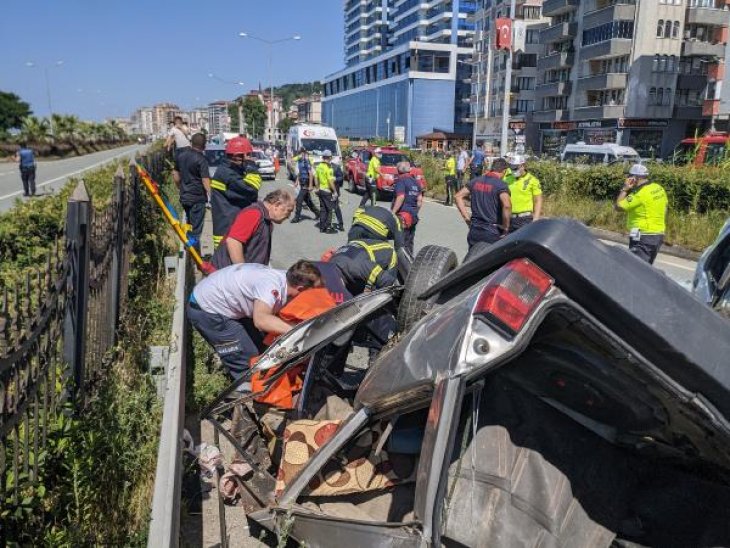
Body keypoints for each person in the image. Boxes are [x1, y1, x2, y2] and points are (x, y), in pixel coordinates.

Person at [187, 260, 323, 379]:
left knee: (261, 347)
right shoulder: (271, 286)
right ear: (300, 289)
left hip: (222, 302)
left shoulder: (285, 279)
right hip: (208, 310)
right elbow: (261, 320)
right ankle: (245, 396)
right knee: (249, 360)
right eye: (313, 292)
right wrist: (299, 331)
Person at [210, 189, 295, 269]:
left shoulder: (266, 221)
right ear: (277, 205)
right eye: (289, 211)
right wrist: (242, 272)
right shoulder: (254, 214)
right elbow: (233, 242)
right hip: (226, 275)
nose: (288, 216)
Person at [210, 136, 262, 249]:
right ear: (237, 156)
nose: (250, 158)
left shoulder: (227, 170)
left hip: (228, 231)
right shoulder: (228, 175)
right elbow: (251, 190)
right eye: (247, 155)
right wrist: (252, 168)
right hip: (228, 235)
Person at [614, 163, 668, 264]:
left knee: (637, 270)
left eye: (629, 176)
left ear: (634, 178)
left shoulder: (639, 195)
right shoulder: (658, 188)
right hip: (658, 234)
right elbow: (665, 209)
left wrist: (625, 189)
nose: (627, 178)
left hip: (643, 236)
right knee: (647, 267)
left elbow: (618, 206)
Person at [455, 157, 512, 251]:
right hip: (492, 231)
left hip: (474, 229)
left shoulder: (476, 181)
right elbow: (507, 205)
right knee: (489, 263)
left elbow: (458, 196)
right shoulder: (501, 185)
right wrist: (506, 227)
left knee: (472, 259)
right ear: (504, 171)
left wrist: (467, 218)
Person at [172, 133, 210, 254]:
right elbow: (205, 180)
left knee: (189, 224)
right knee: (196, 230)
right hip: (197, 199)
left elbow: (175, 176)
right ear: (204, 145)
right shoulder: (201, 159)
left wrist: (180, 188)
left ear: (191, 143)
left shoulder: (180, 156)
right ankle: (193, 254)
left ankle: (189, 249)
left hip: (185, 197)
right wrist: (211, 196)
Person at [391, 161, 423, 255]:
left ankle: (400, 266)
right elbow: (420, 200)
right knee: (409, 242)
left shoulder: (401, 181)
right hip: (413, 216)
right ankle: (409, 263)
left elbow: (400, 197)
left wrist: (393, 212)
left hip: (402, 216)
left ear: (398, 170)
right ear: (409, 170)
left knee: (400, 243)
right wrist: (415, 212)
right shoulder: (416, 182)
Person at [505, 155, 543, 233]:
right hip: (509, 218)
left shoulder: (532, 180)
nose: (513, 170)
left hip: (525, 219)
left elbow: (538, 200)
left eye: (515, 168)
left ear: (522, 166)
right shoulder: (507, 178)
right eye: (511, 168)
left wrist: (536, 219)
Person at [291, 148, 320, 223]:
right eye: (299, 153)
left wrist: (310, 185)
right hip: (302, 182)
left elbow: (310, 174)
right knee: (308, 201)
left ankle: (296, 218)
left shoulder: (306, 161)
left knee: (299, 200)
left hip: (306, 183)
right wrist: (297, 181)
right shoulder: (300, 162)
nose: (300, 155)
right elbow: (300, 173)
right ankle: (318, 213)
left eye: (301, 153)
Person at [315, 149, 338, 234]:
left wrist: (317, 188)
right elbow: (330, 181)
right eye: (331, 157)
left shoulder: (318, 166)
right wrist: (335, 191)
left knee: (323, 209)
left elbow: (316, 178)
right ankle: (328, 227)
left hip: (320, 190)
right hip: (327, 191)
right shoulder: (329, 168)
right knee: (329, 209)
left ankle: (322, 227)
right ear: (329, 157)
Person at [331, 161, 346, 231]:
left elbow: (341, 177)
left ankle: (340, 224)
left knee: (336, 208)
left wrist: (335, 179)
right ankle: (327, 224)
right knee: (326, 208)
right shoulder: (323, 166)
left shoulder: (336, 167)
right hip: (325, 190)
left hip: (334, 190)